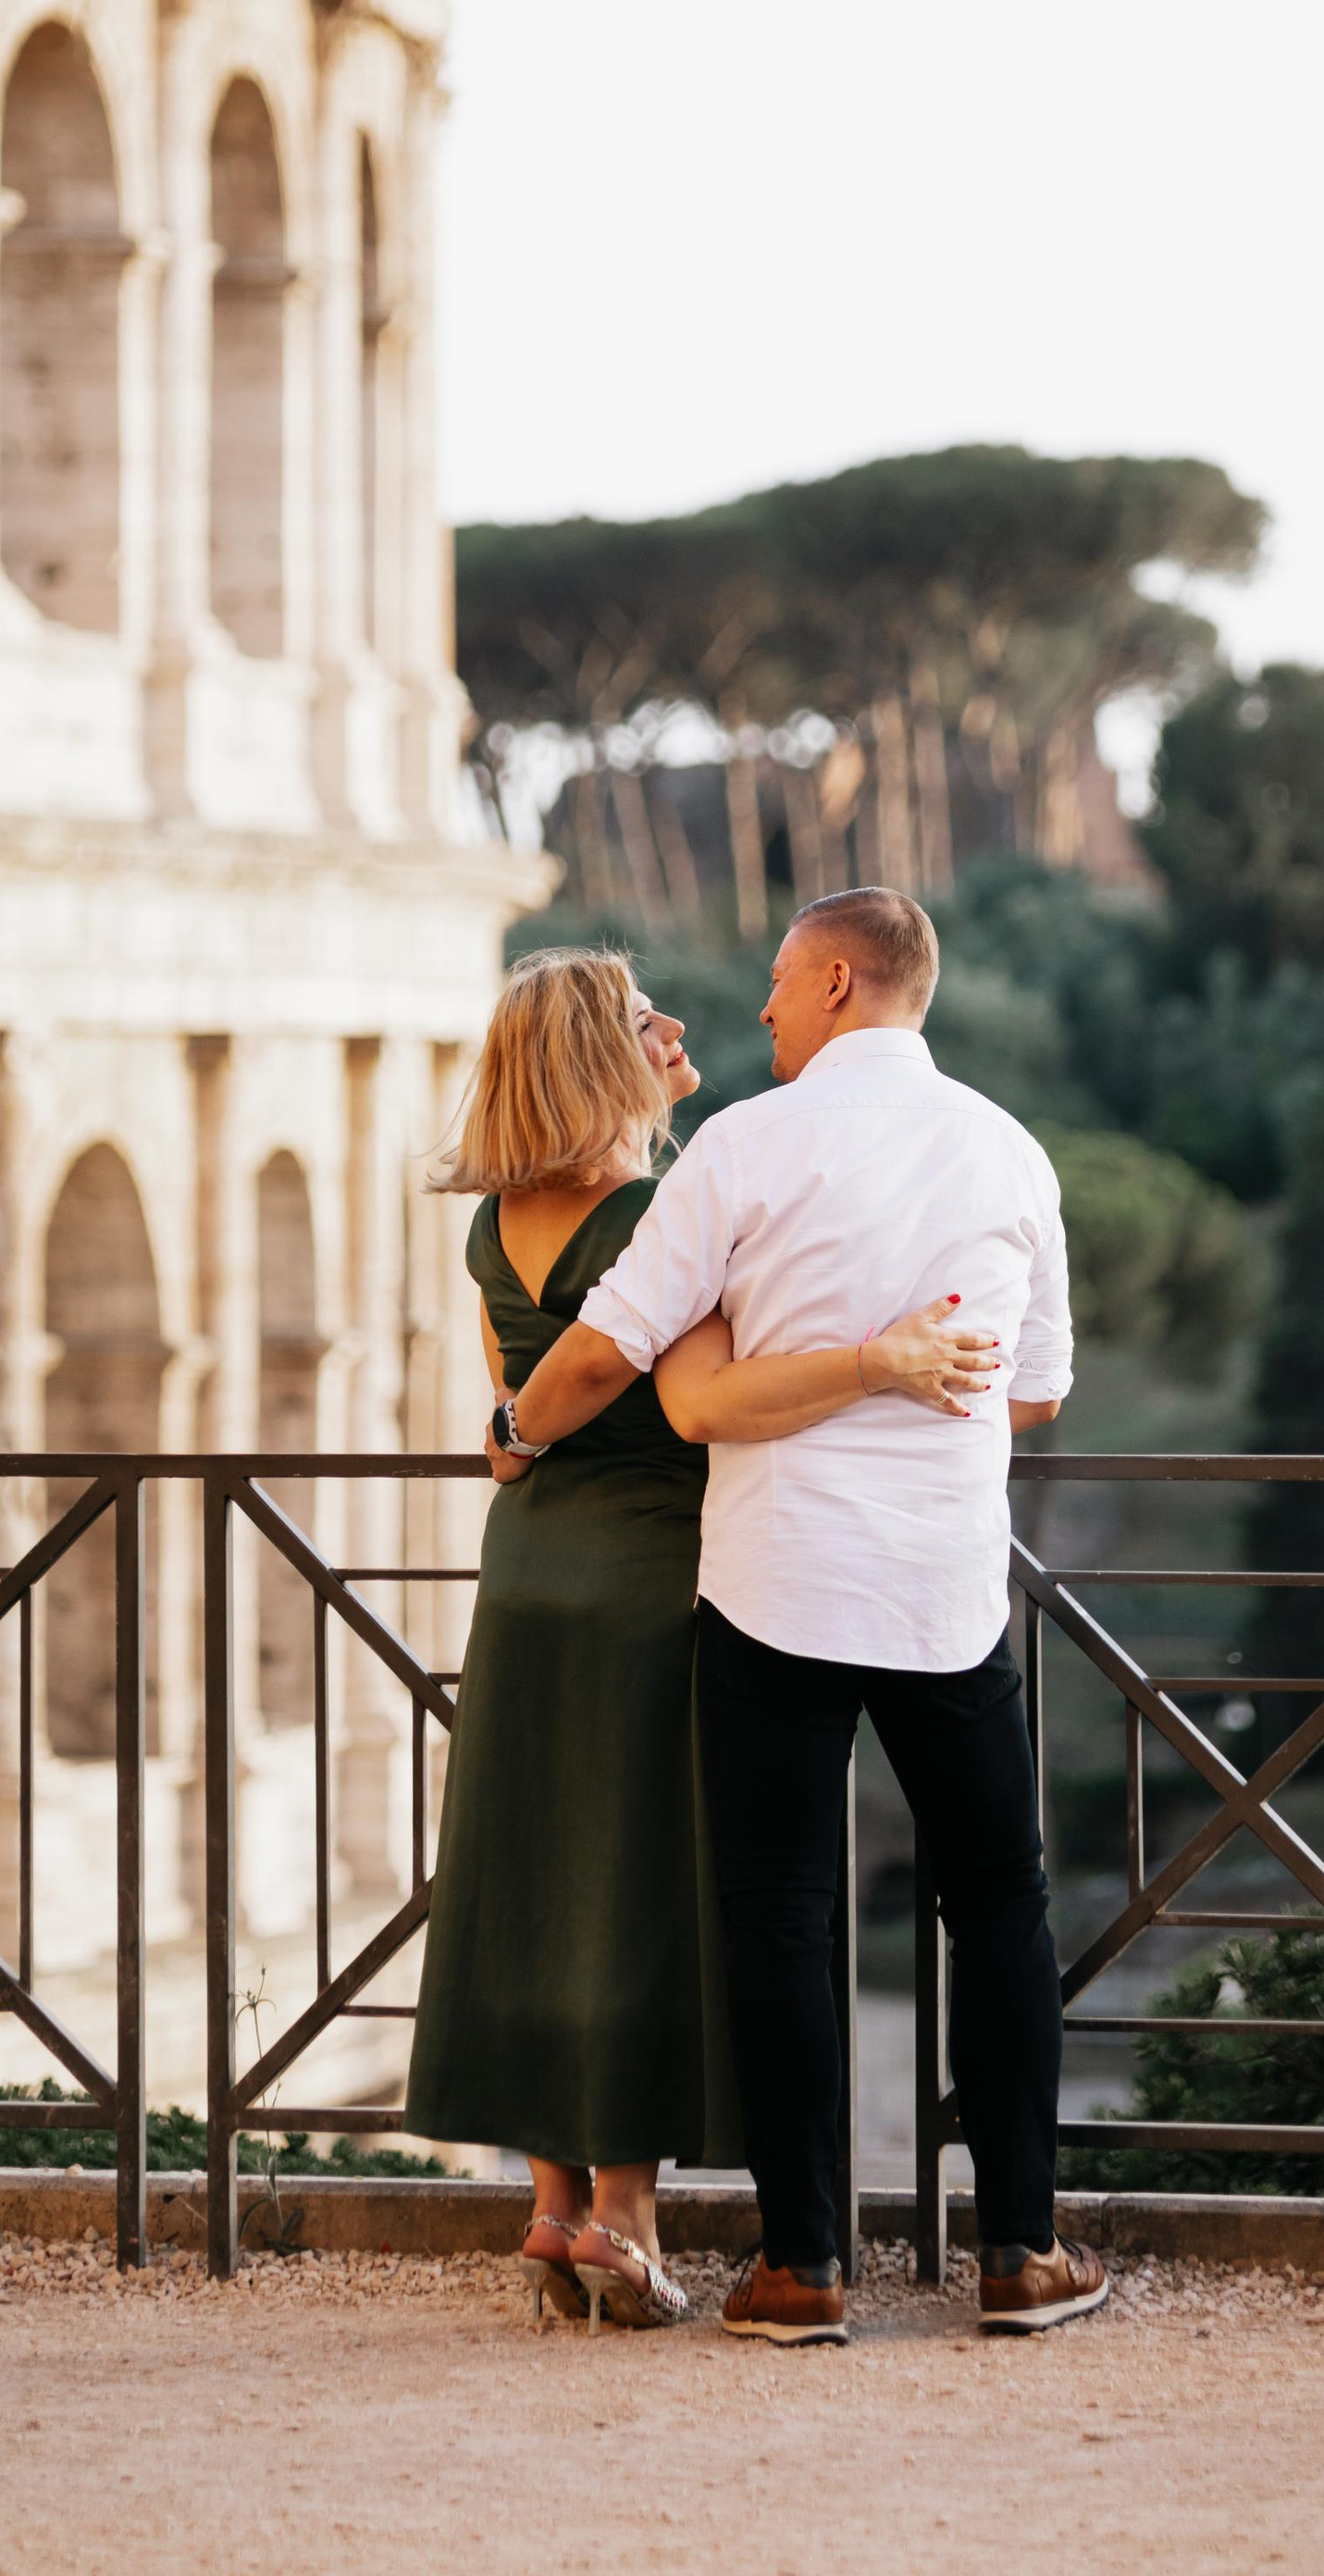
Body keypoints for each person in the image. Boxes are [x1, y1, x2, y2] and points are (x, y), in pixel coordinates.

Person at [504, 886, 1108, 2344]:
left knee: (779, 1914)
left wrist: (517, 1431)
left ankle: (801, 2269)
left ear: (838, 982)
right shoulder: (1008, 1149)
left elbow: (609, 1349)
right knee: (1002, 1904)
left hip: (775, 1582)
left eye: (780, 983)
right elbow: (1036, 1390)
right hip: (946, 1590)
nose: (762, 1008)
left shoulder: (743, 1148)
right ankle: (1021, 2253)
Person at [405, 944, 996, 2331]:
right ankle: (624, 2214)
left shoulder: (491, 1226)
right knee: (642, 1888)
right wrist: (875, 1364)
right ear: (598, 1061)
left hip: (530, 1572)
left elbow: (513, 1419)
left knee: (541, 1871)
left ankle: (551, 2206)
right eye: (638, 1015)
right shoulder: (657, 1212)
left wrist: (511, 1431)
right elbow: (688, 1399)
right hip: (654, 1577)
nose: (674, 1024)